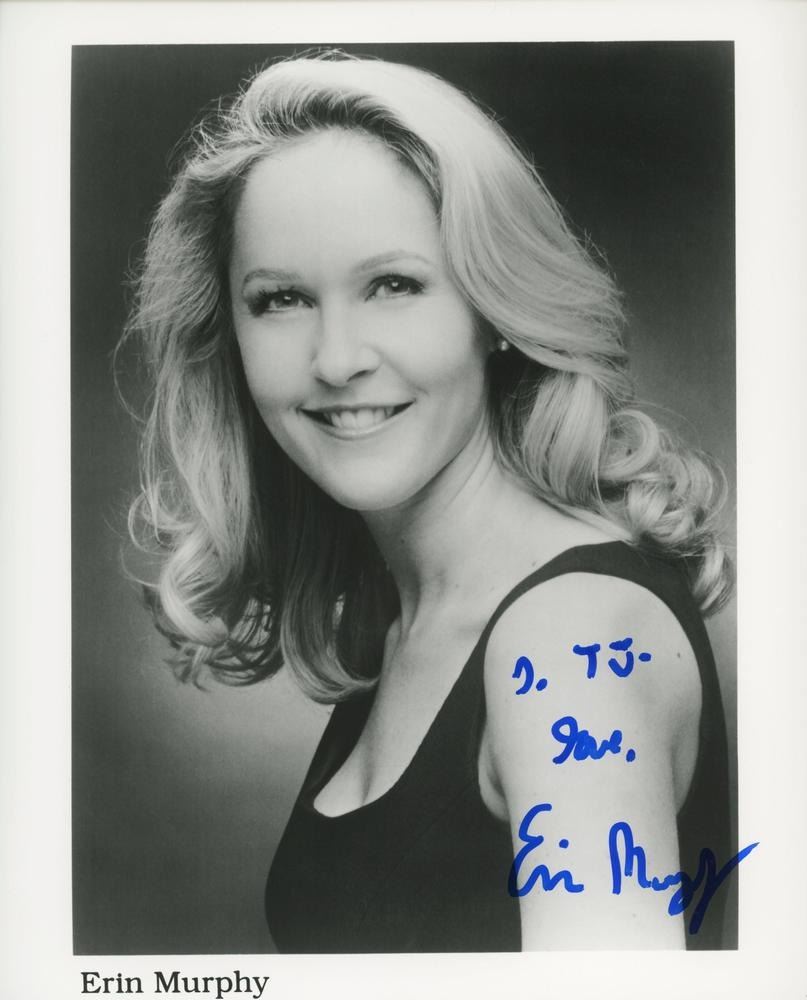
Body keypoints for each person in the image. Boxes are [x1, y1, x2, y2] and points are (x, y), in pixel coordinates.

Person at [122, 51, 733, 952]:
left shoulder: (568, 640)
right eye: (281, 299)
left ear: (494, 310)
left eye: (394, 285)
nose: (337, 359)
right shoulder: (413, 620)